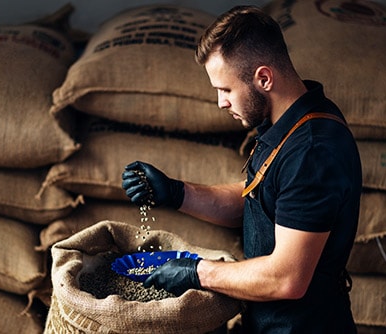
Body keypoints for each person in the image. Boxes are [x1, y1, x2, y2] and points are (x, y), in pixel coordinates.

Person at [121, 5, 362, 333]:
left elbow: (287, 278)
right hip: (265, 322)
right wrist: (177, 193)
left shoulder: (312, 151)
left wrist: (198, 273)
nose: (221, 102)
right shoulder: (286, 123)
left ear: (264, 78)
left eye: (226, 89)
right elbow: (261, 204)